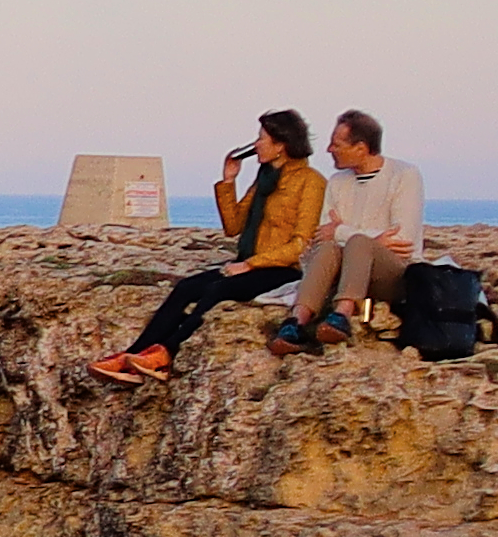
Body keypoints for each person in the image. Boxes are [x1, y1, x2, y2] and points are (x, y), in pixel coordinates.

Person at [81, 113, 320, 382]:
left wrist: (250, 264)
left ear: (281, 145)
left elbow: (300, 244)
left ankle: (165, 354)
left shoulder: (310, 182)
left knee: (218, 289)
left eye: (262, 139)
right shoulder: (265, 179)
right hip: (248, 261)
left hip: (281, 269)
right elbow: (233, 225)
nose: (256, 144)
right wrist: (228, 181)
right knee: (186, 287)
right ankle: (131, 357)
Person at [271, 111, 423, 347]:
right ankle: (296, 322)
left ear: (361, 148)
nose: (329, 149)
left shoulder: (404, 175)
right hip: (345, 268)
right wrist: (372, 237)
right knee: (330, 248)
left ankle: (341, 315)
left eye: (337, 144)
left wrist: (342, 231)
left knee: (358, 243)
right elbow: (323, 235)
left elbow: (402, 239)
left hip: (393, 271)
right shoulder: (337, 182)